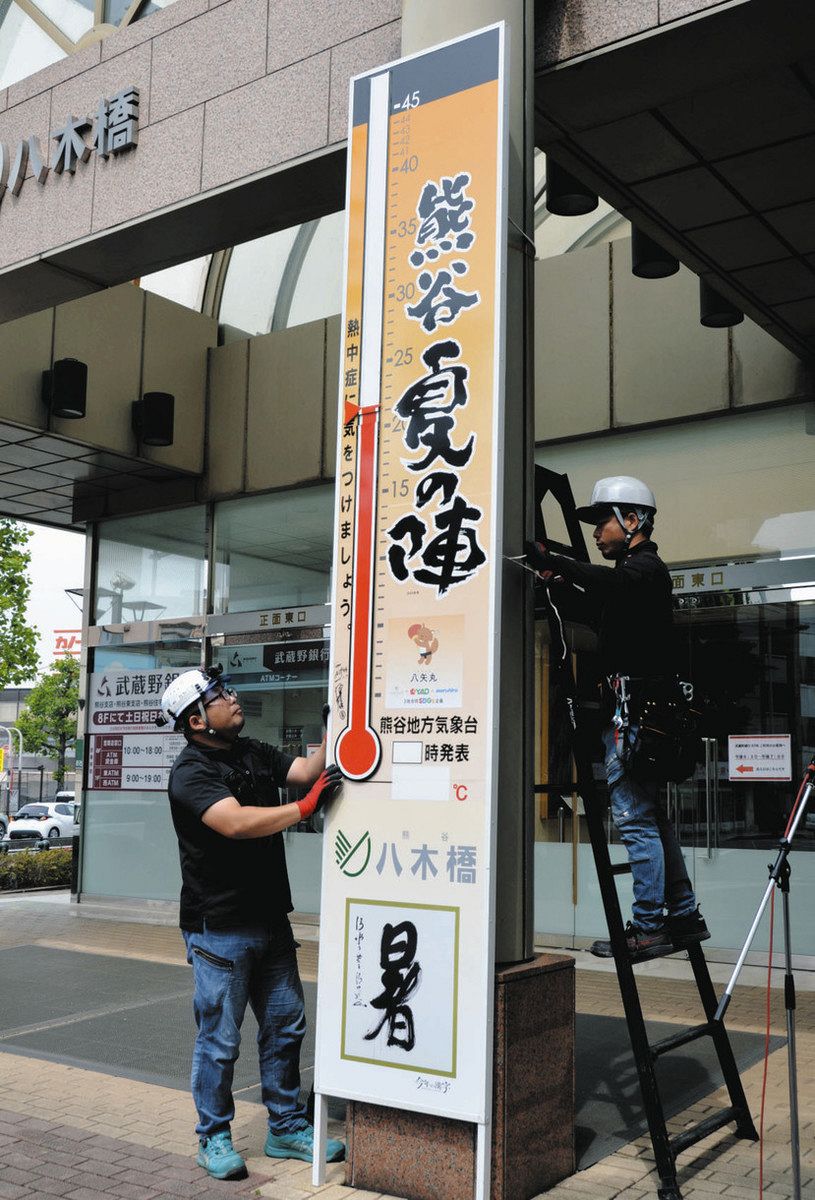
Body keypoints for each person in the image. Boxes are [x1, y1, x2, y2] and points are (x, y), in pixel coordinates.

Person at [159, 667, 344, 1181]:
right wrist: (303, 810)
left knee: (286, 1026)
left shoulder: (254, 751)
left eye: (227, 690)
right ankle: (213, 1137)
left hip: (269, 918)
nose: (232, 698)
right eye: (219, 696)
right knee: (219, 1040)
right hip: (219, 925)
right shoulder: (191, 772)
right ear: (197, 719)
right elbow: (235, 822)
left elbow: (307, 772)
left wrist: (338, 722)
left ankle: (286, 1126)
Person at [526, 476, 709, 961]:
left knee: (635, 821)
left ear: (633, 520)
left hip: (633, 718)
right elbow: (596, 599)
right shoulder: (632, 578)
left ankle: (648, 925)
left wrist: (556, 560)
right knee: (653, 819)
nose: (595, 532)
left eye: (602, 521)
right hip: (640, 717)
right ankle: (684, 915)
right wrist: (557, 581)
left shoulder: (645, 568)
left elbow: (610, 584)